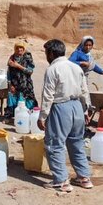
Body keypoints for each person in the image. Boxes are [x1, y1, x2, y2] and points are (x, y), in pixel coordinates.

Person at [37, 39, 93, 193]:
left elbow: (48, 95)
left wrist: (42, 117)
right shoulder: (75, 67)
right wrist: (86, 110)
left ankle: (61, 181)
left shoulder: (52, 69)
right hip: (77, 107)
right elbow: (84, 90)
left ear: (52, 53)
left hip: (60, 108)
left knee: (54, 144)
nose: (46, 56)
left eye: (46, 53)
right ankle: (84, 177)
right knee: (76, 142)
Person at [5, 41, 38, 119]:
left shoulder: (27, 57)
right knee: (11, 98)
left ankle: (29, 117)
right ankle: (10, 117)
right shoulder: (12, 58)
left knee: (27, 100)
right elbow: (9, 72)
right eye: (17, 48)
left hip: (26, 84)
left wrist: (18, 66)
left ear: (24, 49)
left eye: (21, 48)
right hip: (14, 84)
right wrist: (10, 84)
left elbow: (30, 72)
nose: (19, 50)